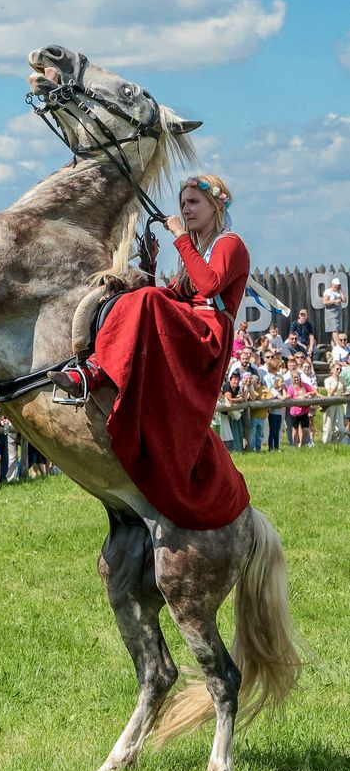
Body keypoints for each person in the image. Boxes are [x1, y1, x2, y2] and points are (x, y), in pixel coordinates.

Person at [48, 175, 250, 529]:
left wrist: (180, 239)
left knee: (147, 299)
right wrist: (152, 264)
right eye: (183, 203)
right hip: (188, 327)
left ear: (217, 205)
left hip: (207, 337)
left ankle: (93, 372)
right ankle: (95, 369)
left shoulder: (230, 244)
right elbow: (174, 295)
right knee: (140, 296)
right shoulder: (198, 250)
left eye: (193, 203)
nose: (185, 209)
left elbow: (209, 286)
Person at [322, 363, 347, 444]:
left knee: (341, 429)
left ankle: (334, 443)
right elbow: (330, 393)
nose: (339, 371)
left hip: (339, 405)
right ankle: (326, 444)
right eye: (337, 369)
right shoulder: (327, 380)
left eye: (340, 369)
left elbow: (344, 390)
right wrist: (336, 382)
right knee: (328, 427)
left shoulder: (342, 379)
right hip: (330, 405)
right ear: (332, 370)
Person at [323, 277, 347, 347]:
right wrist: (334, 301)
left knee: (336, 331)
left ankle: (334, 349)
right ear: (332, 285)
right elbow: (324, 302)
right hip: (331, 314)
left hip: (338, 314)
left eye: (339, 286)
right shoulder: (328, 291)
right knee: (334, 330)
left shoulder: (338, 292)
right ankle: (338, 346)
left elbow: (344, 300)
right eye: (336, 286)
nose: (337, 287)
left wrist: (341, 291)